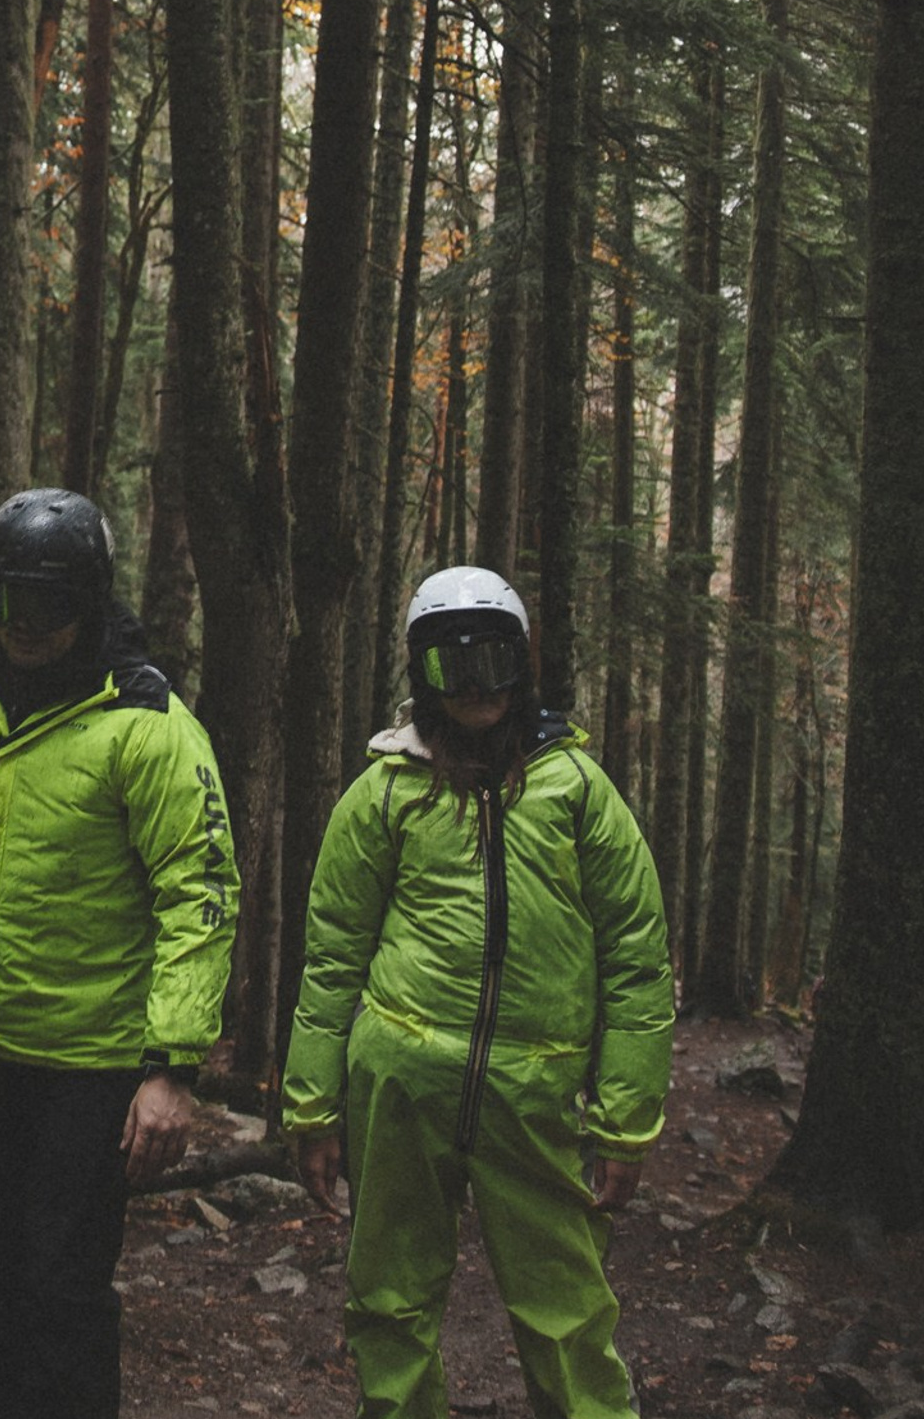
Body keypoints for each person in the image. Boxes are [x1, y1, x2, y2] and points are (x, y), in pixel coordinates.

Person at [283, 566, 673, 1419]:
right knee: (388, 1303)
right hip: (400, 1083)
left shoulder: (575, 793)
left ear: (522, 665)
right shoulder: (384, 794)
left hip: (535, 1095)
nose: (472, 689)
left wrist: (625, 1120)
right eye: (448, 668)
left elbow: (638, 961)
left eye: (491, 662)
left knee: (567, 1315)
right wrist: (312, 1105)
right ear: (418, 676)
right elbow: (333, 960)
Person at [0, 487, 240, 1419]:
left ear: (90, 601)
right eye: (11, 602)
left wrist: (172, 1068)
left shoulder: (149, 724)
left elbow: (202, 891)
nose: (28, 627)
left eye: (50, 605)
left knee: (61, 1286)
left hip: (90, 1066)